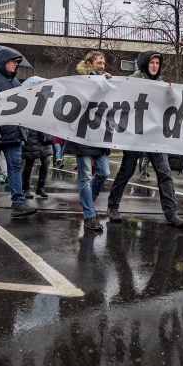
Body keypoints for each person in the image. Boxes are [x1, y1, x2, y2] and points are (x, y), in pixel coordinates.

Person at [106, 50, 183, 228]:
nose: (155, 66)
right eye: (152, 63)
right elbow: (118, 94)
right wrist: (110, 80)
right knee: (126, 171)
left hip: (155, 137)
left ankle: (171, 213)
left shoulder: (162, 84)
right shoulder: (133, 80)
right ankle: (113, 207)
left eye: (158, 63)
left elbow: (171, 106)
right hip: (135, 135)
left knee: (164, 173)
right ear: (145, 64)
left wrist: (173, 94)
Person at [0, 47, 37, 218]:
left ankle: (18, 203)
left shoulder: (17, 83)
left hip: (13, 134)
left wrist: (22, 130)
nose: (15, 65)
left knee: (15, 166)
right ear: (3, 63)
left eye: (17, 63)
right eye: (13, 62)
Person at [64, 50, 114, 232]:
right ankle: (89, 215)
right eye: (99, 63)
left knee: (104, 172)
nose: (102, 66)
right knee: (85, 175)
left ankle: (87, 200)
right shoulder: (81, 82)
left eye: (103, 63)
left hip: (100, 135)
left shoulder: (107, 81)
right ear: (90, 64)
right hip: (83, 135)